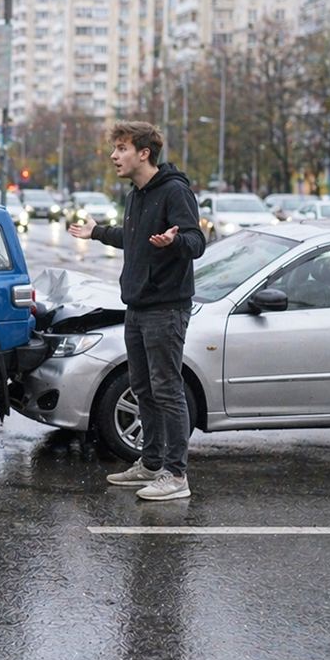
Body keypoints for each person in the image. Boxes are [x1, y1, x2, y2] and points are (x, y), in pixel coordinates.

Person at [69, 121, 205, 501]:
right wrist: (97, 232)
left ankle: (176, 476)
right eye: (115, 148)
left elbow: (196, 240)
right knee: (143, 387)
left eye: (122, 148)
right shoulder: (137, 194)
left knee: (167, 390)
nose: (115, 155)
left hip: (166, 308)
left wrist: (175, 242)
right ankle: (150, 462)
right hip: (137, 306)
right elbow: (131, 239)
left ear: (144, 153)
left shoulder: (175, 191)